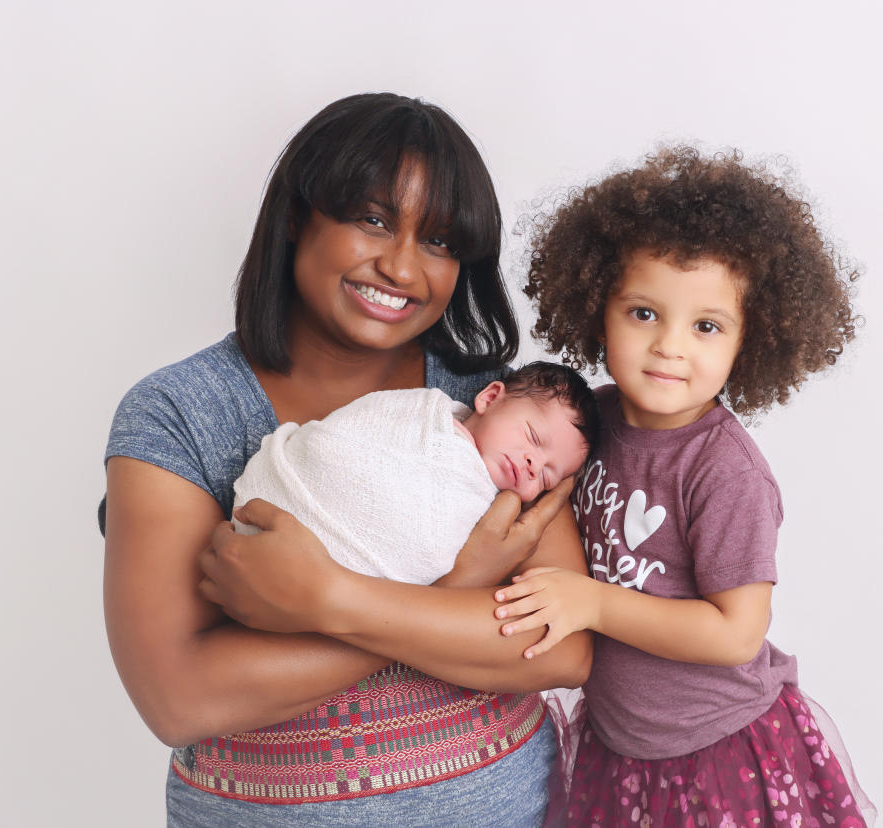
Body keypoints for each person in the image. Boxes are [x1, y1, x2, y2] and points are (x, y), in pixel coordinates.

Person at [102, 93, 592, 827]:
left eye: (439, 242)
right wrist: (461, 589)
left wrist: (324, 598)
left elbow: (561, 648)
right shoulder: (180, 412)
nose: (400, 267)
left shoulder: (500, 410)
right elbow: (181, 698)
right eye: (373, 219)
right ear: (297, 216)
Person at [494, 147, 877, 826]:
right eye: (644, 313)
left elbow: (735, 634)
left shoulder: (725, 470)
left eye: (705, 326)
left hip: (717, 754)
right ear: (596, 310)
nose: (671, 346)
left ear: (747, 342)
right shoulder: (590, 424)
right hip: (618, 750)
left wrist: (593, 603)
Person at [232, 361, 599, 584]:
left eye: (547, 477)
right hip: (281, 510)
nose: (533, 464)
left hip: (345, 595)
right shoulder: (420, 415)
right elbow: (332, 448)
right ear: (489, 398)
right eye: (532, 437)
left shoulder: (495, 514)